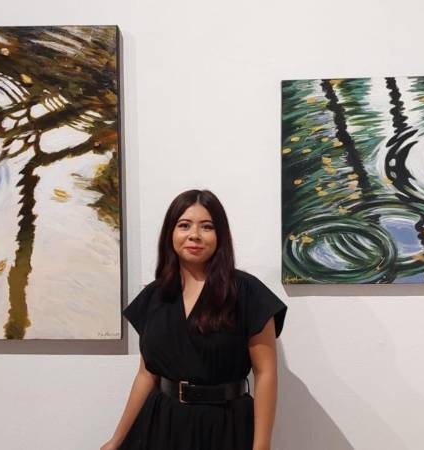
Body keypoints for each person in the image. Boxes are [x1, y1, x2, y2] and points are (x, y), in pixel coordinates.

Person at [101, 189, 287, 450]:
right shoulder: (155, 296)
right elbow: (146, 374)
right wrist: (116, 439)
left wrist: (262, 446)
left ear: (220, 235)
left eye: (207, 227)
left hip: (225, 427)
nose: (194, 235)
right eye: (184, 225)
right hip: (162, 425)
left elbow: (265, 373)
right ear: (170, 233)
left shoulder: (247, 292)